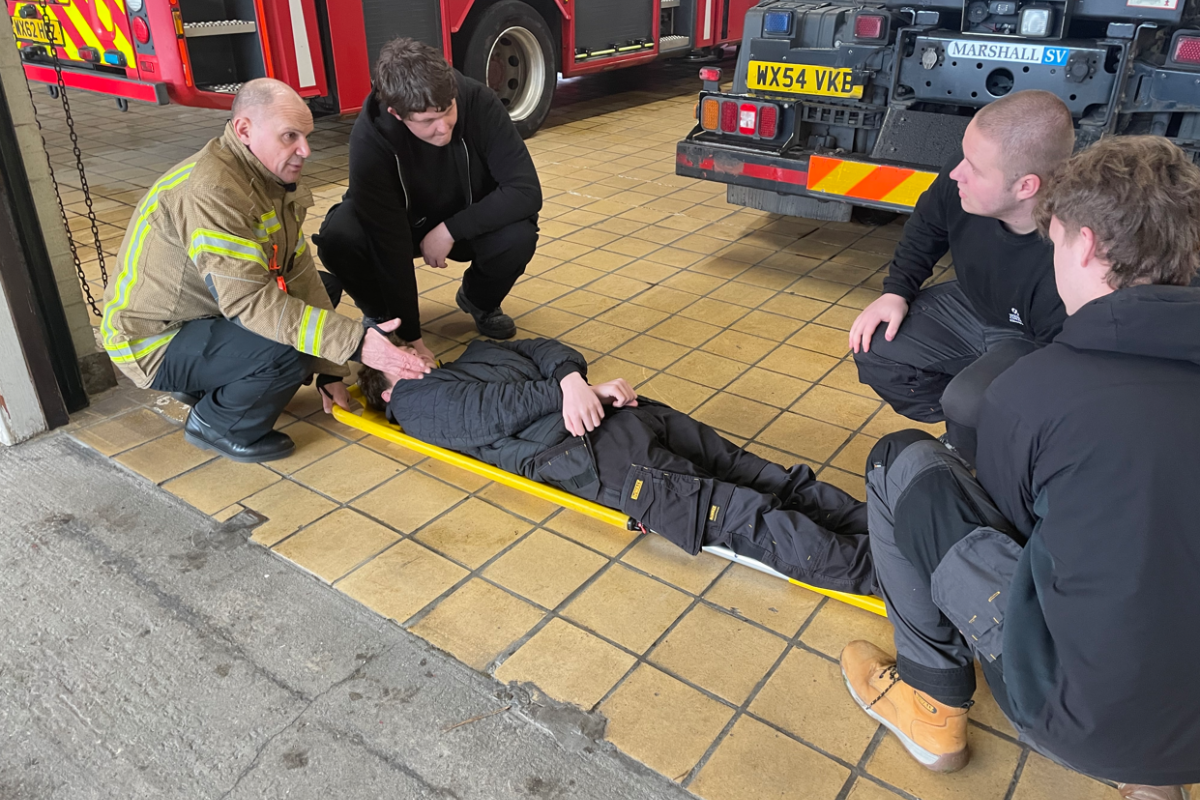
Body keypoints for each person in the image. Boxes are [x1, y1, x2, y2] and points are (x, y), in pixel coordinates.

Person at [841, 137, 1200, 800]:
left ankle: (932, 704)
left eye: (1057, 242)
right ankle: (1156, 784)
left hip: (1082, 717)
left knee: (902, 463)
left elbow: (1006, 532)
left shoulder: (1034, 392)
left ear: (1084, 246)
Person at [356, 337, 875, 596]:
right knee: (745, 513)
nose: (407, 343)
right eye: (391, 347)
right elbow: (492, 411)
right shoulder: (414, 401)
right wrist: (566, 388)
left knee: (766, 479)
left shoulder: (471, 353)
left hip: (619, 418)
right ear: (383, 378)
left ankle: (887, 531)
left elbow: (543, 348)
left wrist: (571, 381)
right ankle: (891, 575)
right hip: (588, 453)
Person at [100, 79, 429, 463]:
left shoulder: (263, 176)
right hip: (152, 338)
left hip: (202, 313)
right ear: (244, 130)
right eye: (290, 136)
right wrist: (355, 343)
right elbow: (249, 302)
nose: (304, 150)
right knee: (290, 347)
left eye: (306, 136)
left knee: (321, 293)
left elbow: (299, 272)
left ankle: (212, 380)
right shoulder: (213, 191)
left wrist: (332, 371)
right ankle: (219, 423)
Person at [849, 90, 1074, 464]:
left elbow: (1067, 374)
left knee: (967, 401)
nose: (956, 172)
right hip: (975, 304)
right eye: (964, 155)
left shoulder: (1069, 256)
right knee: (875, 347)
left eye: (975, 167)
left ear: (1026, 187)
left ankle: (995, 448)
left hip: (1038, 338)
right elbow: (927, 226)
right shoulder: (961, 180)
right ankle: (977, 433)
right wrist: (897, 290)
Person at [315, 37, 541, 354]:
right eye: (427, 121)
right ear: (396, 114)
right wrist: (410, 335)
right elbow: (388, 241)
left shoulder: (479, 101)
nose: (443, 127)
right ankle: (382, 316)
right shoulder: (371, 136)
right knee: (339, 237)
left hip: (463, 217)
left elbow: (526, 191)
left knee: (519, 234)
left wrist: (451, 229)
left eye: (447, 110)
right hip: (399, 224)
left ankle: (479, 300)